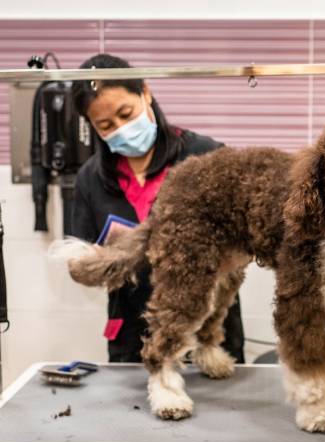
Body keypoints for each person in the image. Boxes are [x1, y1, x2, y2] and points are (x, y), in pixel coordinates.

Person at [70, 53, 245, 363]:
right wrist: (103, 260)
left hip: (207, 334)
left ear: (146, 93)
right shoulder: (90, 179)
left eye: (126, 114)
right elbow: (82, 260)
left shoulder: (207, 157)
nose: (121, 128)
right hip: (131, 338)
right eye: (106, 125)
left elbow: (245, 240)